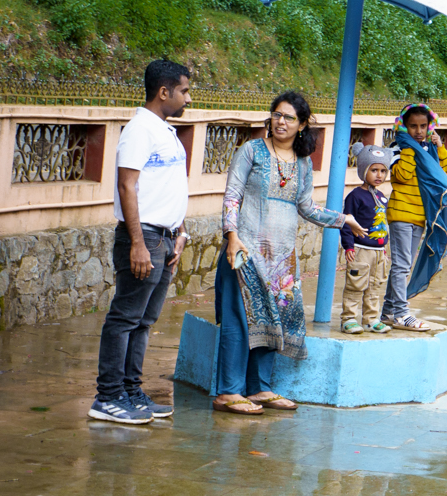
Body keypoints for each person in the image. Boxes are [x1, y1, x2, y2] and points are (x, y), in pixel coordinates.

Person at [215, 91, 360, 414]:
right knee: (240, 320)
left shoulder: (303, 163)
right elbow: (232, 196)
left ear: (302, 124)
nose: (280, 122)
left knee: (272, 320)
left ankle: (259, 388)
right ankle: (228, 391)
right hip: (245, 252)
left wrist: (344, 219)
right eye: (277, 115)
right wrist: (232, 237)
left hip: (281, 261)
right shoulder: (251, 150)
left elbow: (307, 207)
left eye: (289, 117)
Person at [91, 60, 194, 425]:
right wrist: (137, 242)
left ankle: (131, 391)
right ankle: (108, 397)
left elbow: (169, 187)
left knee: (144, 320)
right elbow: (127, 185)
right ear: (163, 92)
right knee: (125, 318)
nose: (188, 98)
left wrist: (180, 233)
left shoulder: (165, 131)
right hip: (144, 236)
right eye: (183, 91)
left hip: (165, 238)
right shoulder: (139, 130)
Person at [383, 103, 447, 332]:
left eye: (423, 126)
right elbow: (402, 176)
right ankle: (401, 314)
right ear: (404, 127)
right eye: (413, 126)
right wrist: (410, 148)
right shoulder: (397, 148)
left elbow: (444, 176)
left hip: (420, 215)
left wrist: (440, 148)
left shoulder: (429, 149)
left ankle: (388, 312)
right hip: (401, 213)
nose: (419, 131)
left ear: (430, 127)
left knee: (404, 265)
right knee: (401, 266)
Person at [341, 145, 394, 332]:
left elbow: (383, 223)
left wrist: (384, 247)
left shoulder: (381, 197)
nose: (379, 175)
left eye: (383, 171)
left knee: (374, 286)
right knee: (355, 285)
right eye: (374, 170)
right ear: (364, 170)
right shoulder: (355, 196)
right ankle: (349, 319)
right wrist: (349, 246)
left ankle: (371, 319)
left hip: (378, 252)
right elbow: (347, 222)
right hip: (360, 250)